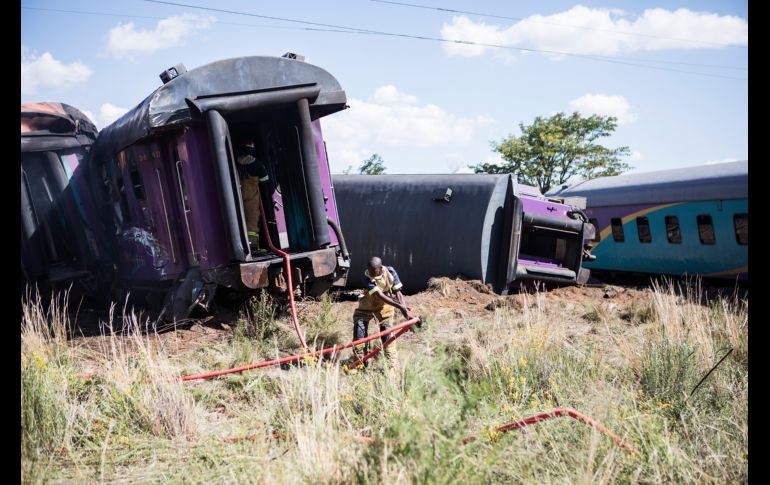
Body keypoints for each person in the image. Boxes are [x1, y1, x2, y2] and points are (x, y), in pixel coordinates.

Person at [351, 256, 412, 368]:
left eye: (373, 271)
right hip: (366, 307)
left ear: (380, 268)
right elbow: (380, 295)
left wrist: (406, 314)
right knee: (359, 333)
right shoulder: (366, 278)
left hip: (385, 308)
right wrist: (400, 307)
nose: (370, 273)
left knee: (387, 335)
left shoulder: (390, 272)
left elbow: (398, 293)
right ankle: (360, 364)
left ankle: (391, 367)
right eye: (369, 270)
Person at [236, 140, 269, 253]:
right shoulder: (257, 164)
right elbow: (265, 179)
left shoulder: (235, 163)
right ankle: (253, 246)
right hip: (251, 199)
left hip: (237, 198)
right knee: (252, 221)